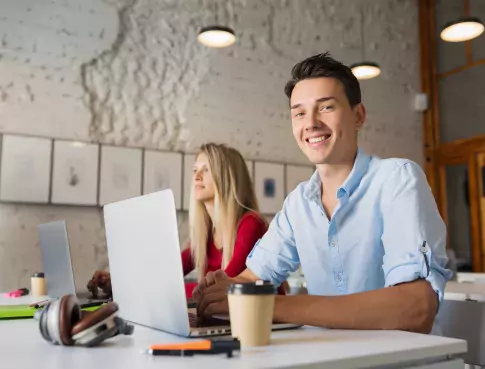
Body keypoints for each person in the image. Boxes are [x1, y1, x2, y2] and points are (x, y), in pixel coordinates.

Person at [193, 52, 452, 334]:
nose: (311, 123)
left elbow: (415, 309)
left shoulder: (397, 179)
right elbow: (253, 277)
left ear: (358, 115)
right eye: (299, 113)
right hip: (325, 358)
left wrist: (264, 305)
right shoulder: (298, 204)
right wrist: (221, 291)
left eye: (326, 107)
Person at [87, 143, 270, 298]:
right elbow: (166, 272)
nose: (196, 176)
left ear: (228, 179)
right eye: (195, 170)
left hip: (268, 325)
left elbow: (222, 287)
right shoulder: (206, 235)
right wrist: (120, 284)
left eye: (207, 170)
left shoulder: (251, 224)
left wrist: (144, 290)